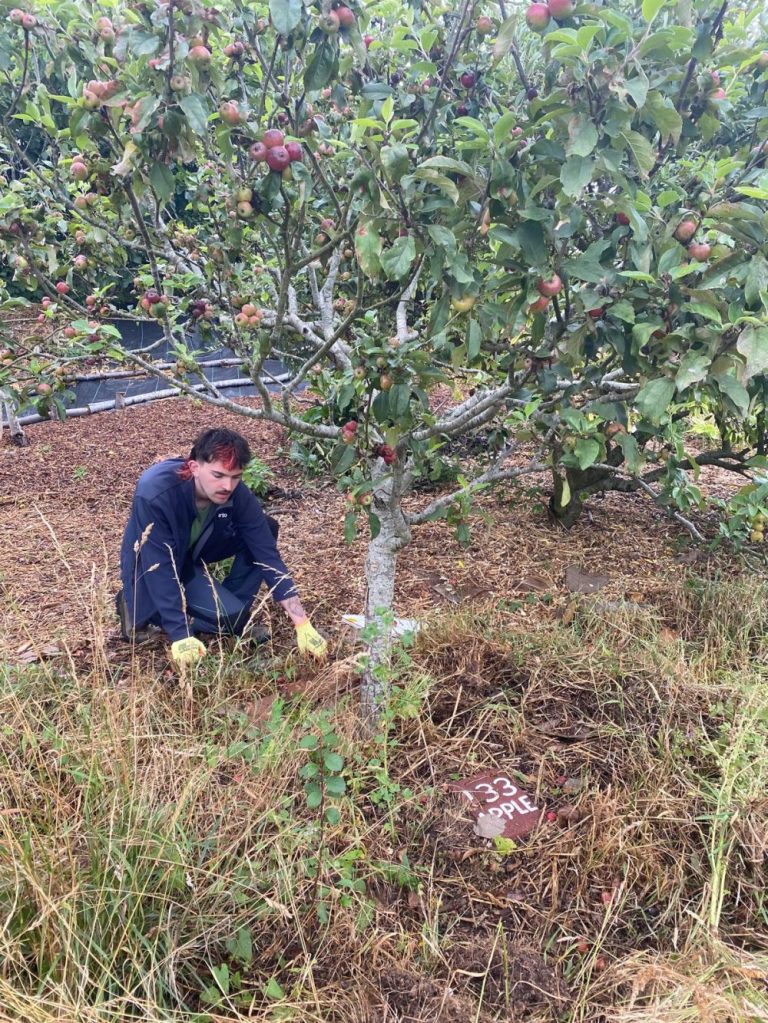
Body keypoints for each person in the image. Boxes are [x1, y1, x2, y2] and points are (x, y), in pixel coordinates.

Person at [117, 427, 327, 666]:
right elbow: (161, 566)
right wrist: (180, 635)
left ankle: (230, 614)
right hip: (153, 561)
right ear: (195, 467)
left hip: (194, 552)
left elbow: (266, 553)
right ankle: (134, 604)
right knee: (153, 605)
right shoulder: (155, 491)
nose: (228, 486)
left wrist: (302, 623)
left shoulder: (235, 493)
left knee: (266, 528)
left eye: (235, 476)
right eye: (218, 475)